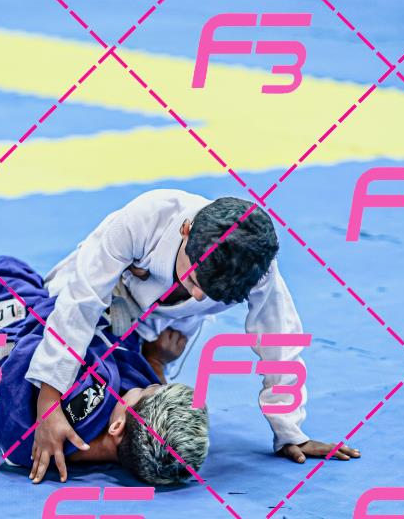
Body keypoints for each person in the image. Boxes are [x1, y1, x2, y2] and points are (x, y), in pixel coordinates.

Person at [23, 189, 359, 480]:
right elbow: (81, 303)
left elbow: (278, 339)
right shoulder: (145, 219)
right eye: (197, 281)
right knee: (34, 362)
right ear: (185, 230)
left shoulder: (255, 267)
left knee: (141, 399)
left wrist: (290, 432)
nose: (199, 296)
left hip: (159, 325)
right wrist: (48, 403)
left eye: (212, 293)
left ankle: (149, 363)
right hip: (90, 296)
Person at [0, 256, 210, 485]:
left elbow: (27, 351)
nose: (148, 384)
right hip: (81, 344)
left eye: (147, 391)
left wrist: (69, 315)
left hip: (19, 344)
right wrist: (157, 361)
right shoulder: (125, 442)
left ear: (117, 426)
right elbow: (143, 399)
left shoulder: (81, 408)